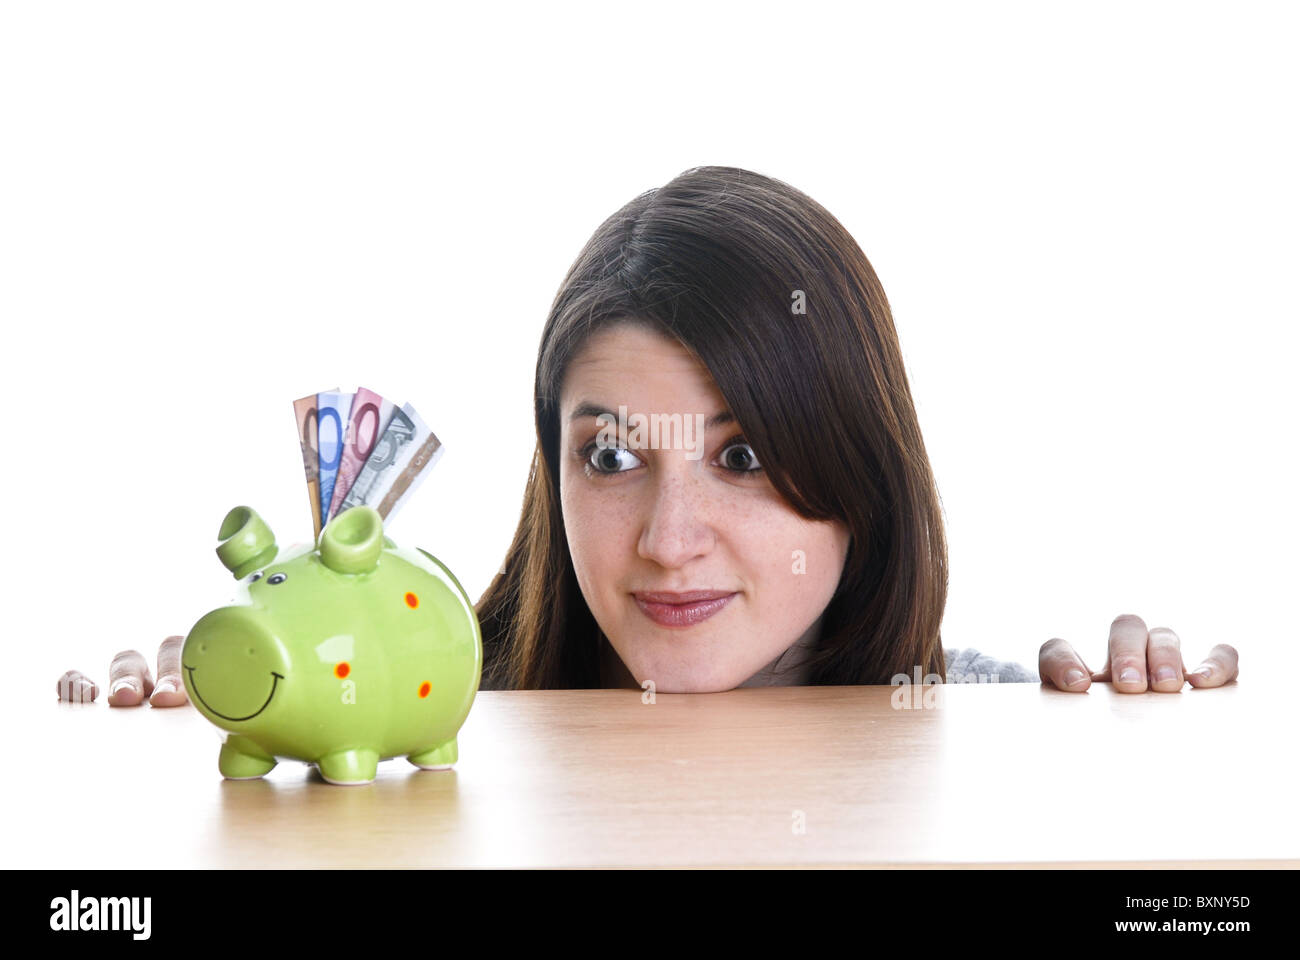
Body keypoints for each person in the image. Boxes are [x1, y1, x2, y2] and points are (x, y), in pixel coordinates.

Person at [474, 165, 1239, 694]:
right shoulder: (414, 741)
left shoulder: (979, 717)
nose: (670, 543)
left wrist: (1138, 746)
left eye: (743, 455)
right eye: (611, 456)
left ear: (861, 468)